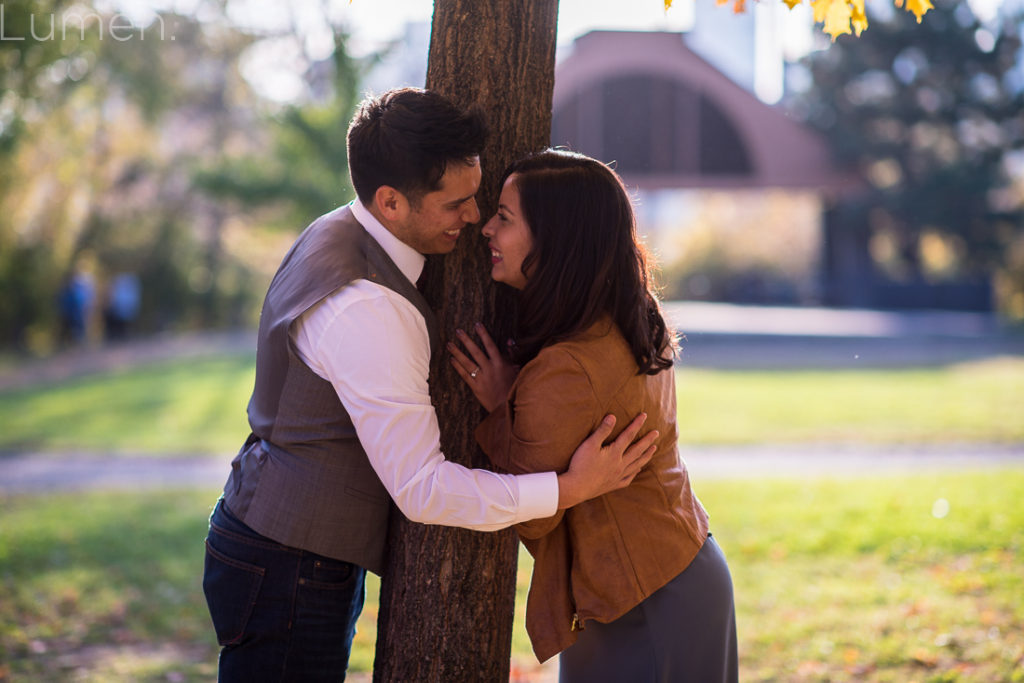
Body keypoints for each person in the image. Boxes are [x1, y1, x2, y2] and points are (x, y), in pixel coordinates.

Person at [201, 89, 658, 682]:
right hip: (289, 566)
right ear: (389, 201)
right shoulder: (368, 305)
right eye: (457, 203)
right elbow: (422, 487)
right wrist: (566, 488)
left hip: (275, 545)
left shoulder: (335, 229)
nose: (474, 219)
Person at [450, 149, 738, 682]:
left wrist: (500, 408)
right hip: (677, 574)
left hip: (644, 604)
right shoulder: (628, 317)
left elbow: (531, 511)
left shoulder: (565, 368)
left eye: (505, 218)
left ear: (555, 239)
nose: (486, 227)